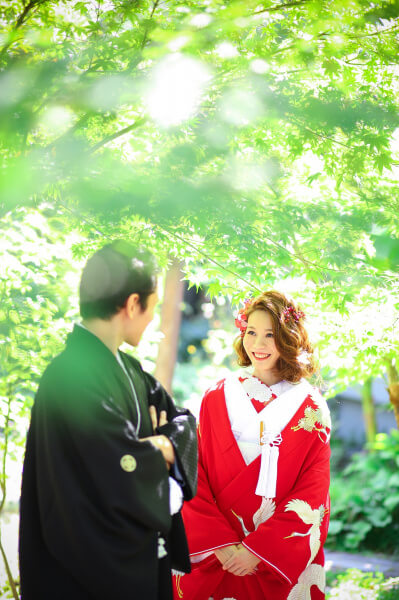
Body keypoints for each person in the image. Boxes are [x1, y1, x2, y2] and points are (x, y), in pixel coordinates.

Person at [19, 241, 198, 600]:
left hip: (131, 558)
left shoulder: (130, 371)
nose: (152, 317)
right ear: (133, 304)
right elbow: (114, 470)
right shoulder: (71, 377)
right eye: (153, 306)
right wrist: (153, 452)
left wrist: (162, 445)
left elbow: (182, 422)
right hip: (80, 571)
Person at [173, 291, 331, 600]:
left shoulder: (311, 407)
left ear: (289, 337)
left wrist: (258, 551)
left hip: (271, 558)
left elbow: (313, 491)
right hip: (215, 551)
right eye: (251, 332)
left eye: (270, 335)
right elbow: (193, 471)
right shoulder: (217, 395)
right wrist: (222, 544)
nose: (257, 344)